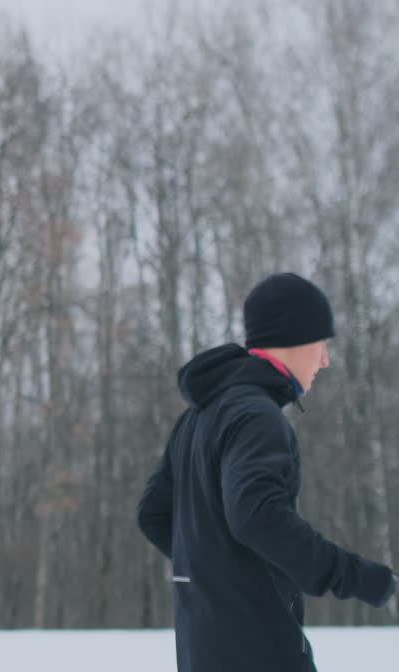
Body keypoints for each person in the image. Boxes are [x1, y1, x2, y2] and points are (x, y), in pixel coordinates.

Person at [136, 272, 395, 671]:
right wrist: (361, 578)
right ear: (294, 341)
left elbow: (154, 515)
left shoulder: (197, 416)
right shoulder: (258, 417)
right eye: (322, 344)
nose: (325, 360)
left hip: (201, 649)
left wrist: (216, 572)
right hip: (260, 648)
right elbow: (258, 518)